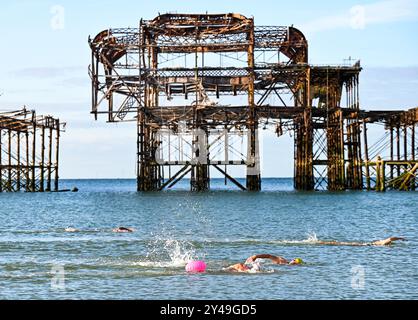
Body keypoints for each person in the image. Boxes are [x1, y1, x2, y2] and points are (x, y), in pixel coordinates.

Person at [225, 254, 304, 273]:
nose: (293, 263)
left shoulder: (286, 265)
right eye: (294, 261)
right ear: (292, 260)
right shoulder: (282, 260)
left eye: (295, 263)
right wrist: (257, 256)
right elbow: (269, 256)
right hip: (250, 264)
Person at [315, 236, 406, 247]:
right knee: (341, 244)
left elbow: (390, 239)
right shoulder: (383, 243)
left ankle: (321, 242)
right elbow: (390, 238)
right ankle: (321, 242)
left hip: (365, 245)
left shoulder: (381, 243)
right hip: (365, 245)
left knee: (341, 243)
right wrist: (400, 238)